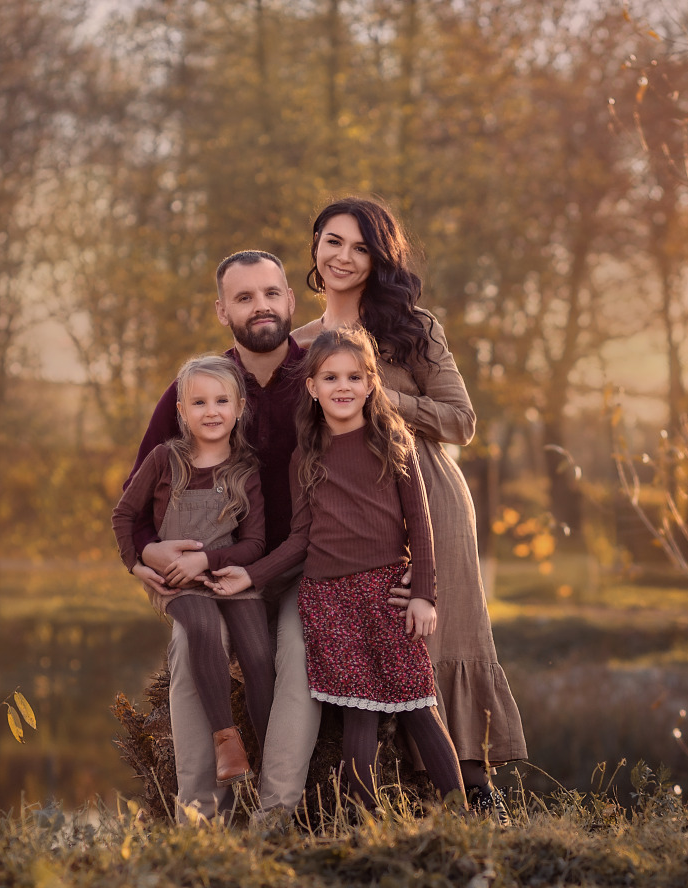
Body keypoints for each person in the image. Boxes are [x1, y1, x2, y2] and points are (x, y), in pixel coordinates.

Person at [290, 197, 526, 820]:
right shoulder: (299, 347)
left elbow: (461, 421)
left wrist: (382, 395)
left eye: (361, 247)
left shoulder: (412, 327)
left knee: (441, 636)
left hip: (426, 495)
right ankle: (369, 807)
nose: (344, 257)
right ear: (314, 246)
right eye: (333, 241)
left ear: (378, 258)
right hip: (346, 518)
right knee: (377, 654)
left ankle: (476, 798)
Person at [210, 326, 465, 811]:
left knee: (419, 709)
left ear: (371, 384)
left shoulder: (393, 441)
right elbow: (301, 538)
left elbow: (421, 526)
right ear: (312, 387)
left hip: (387, 592)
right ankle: (360, 828)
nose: (342, 386)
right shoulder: (306, 454)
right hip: (329, 601)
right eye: (330, 377)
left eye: (354, 376)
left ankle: (467, 821)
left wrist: (424, 595)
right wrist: (252, 575)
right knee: (359, 718)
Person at [126, 251, 319, 821]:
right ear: (222, 310)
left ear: (289, 301)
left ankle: (275, 813)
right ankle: (201, 816)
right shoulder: (195, 388)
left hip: (302, 567)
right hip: (214, 571)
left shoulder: (319, 378)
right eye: (243, 297)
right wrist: (144, 554)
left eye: (270, 293)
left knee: (300, 653)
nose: (260, 306)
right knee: (191, 648)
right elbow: (138, 496)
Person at [112, 355, 274, 788]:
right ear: (181, 411)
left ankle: (271, 757)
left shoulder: (245, 470)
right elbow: (124, 515)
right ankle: (227, 742)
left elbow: (255, 544)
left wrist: (209, 560)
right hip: (179, 582)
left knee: (259, 655)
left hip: (229, 576)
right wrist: (136, 563)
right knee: (202, 627)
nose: (212, 411)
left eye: (222, 401)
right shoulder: (165, 460)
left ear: (239, 407)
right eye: (199, 403)